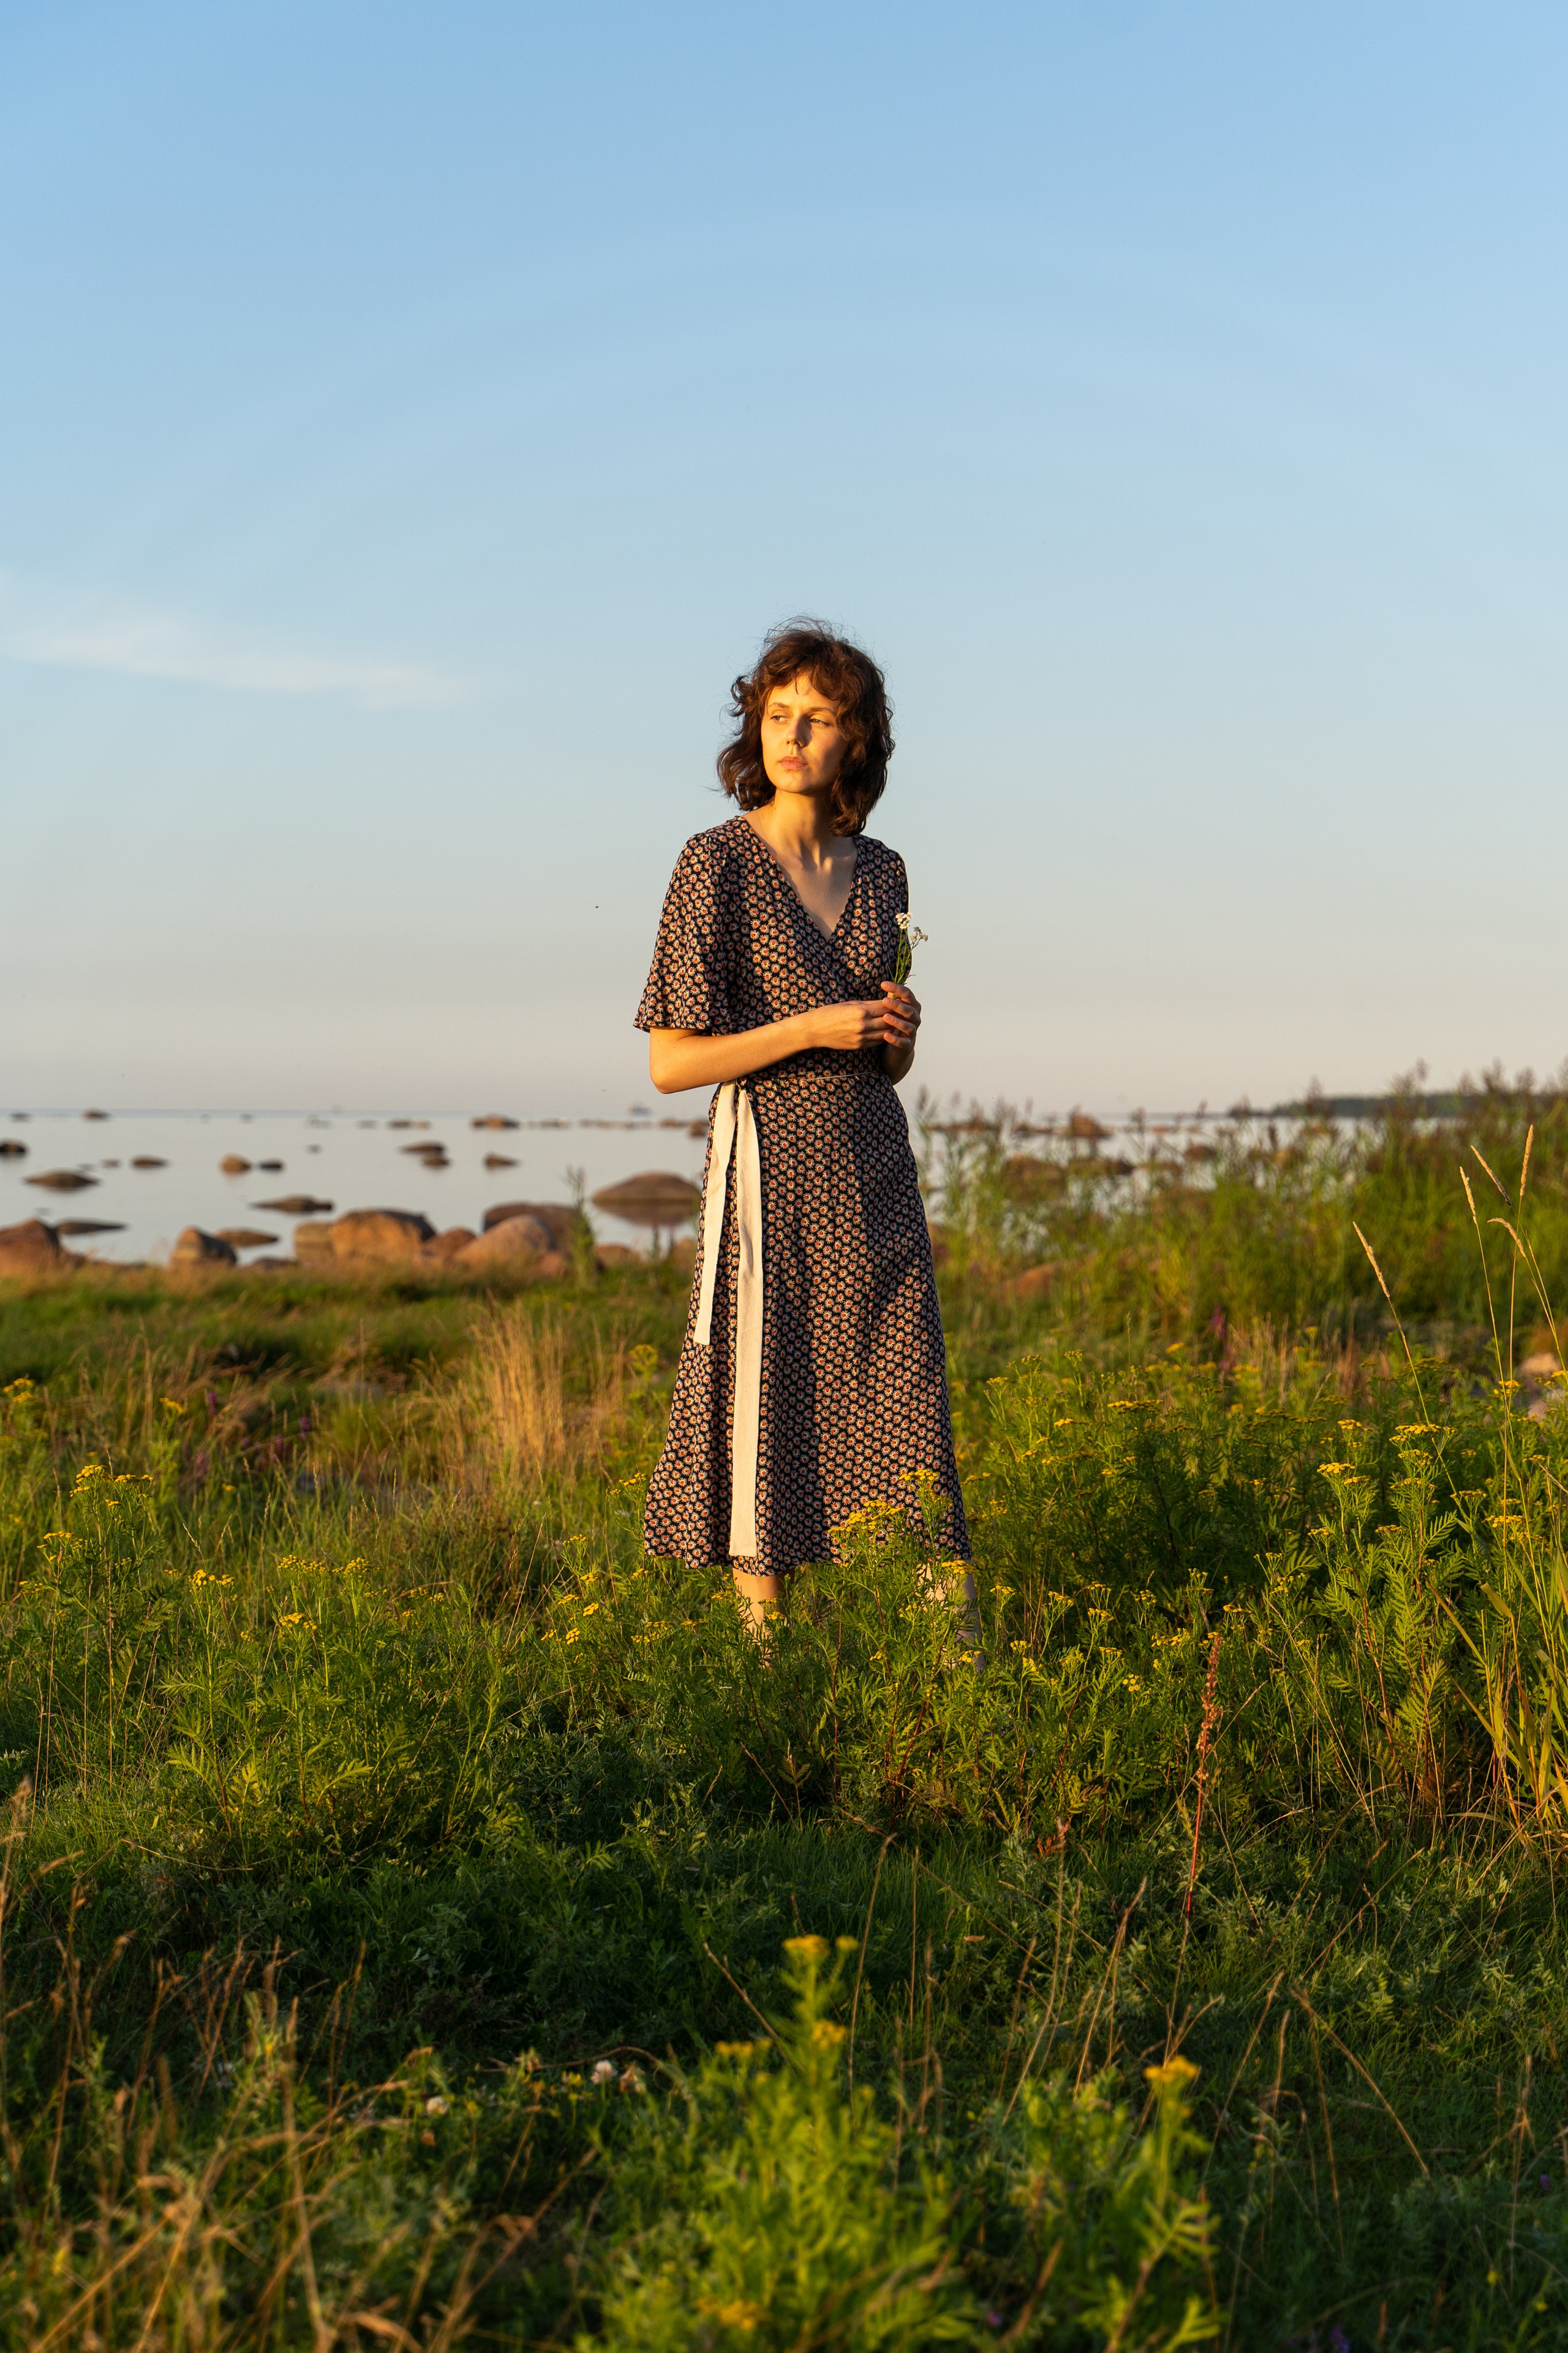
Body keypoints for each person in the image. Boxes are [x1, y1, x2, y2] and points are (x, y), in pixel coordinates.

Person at [635, 618, 971, 1632]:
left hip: (874, 1173)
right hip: (766, 1177)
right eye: (776, 714)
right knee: (767, 1402)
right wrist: (810, 1025)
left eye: (817, 718)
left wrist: (897, 1035)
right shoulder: (715, 866)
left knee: (911, 1403)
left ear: (853, 742)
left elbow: (885, 1061)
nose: (791, 735)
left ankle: (957, 1672)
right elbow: (670, 1062)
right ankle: (764, 1677)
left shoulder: (884, 872)